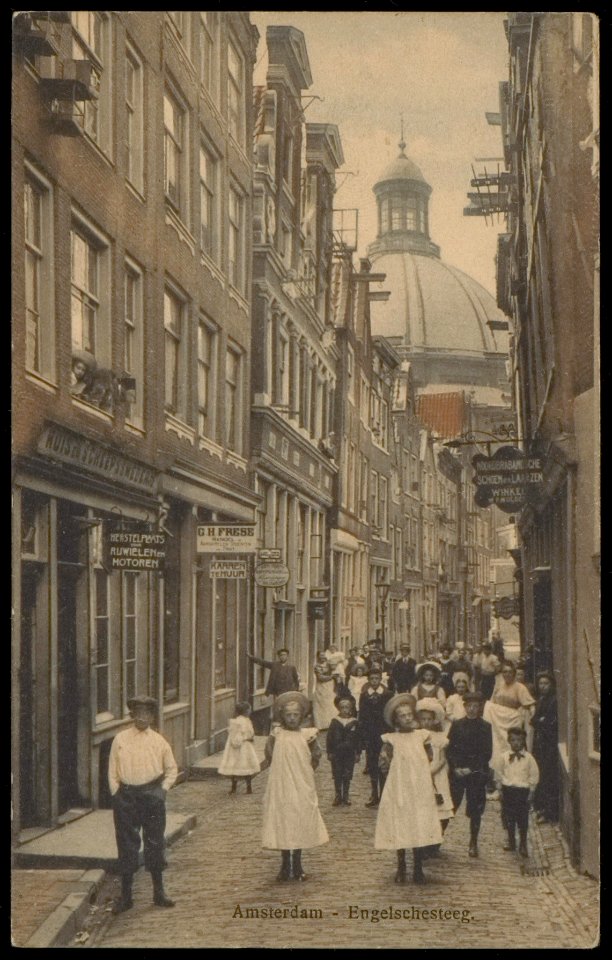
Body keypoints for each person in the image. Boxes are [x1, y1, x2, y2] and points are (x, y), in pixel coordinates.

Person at [108, 696, 178, 913]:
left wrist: (162, 791)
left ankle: (159, 893)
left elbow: (172, 769)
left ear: (151, 716)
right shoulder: (120, 739)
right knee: (127, 845)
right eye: (138, 713)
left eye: (146, 714)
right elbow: (112, 771)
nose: (142, 718)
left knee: (155, 842)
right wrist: (117, 794)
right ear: (132, 715)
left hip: (152, 796)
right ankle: (126, 897)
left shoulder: (159, 741)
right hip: (127, 797)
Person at [375, 693, 443, 884]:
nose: (407, 718)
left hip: (419, 786)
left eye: (409, 714)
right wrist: (390, 768)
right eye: (402, 716)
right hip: (399, 787)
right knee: (401, 822)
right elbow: (384, 762)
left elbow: (429, 757)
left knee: (418, 822)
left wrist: (420, 774)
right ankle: (401, 864)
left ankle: (418, 867)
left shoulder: (422, 736)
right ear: (396, 720)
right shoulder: (391, 739)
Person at [262, 691, 328, 881]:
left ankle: (298, 864)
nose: (292, 718)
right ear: (282, 716)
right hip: (281, 784)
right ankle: (285, 864)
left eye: (296, 715)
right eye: (288, 715)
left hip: (301, 784)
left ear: (302, 716)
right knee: (283, 819)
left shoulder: (308, 736)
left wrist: (305, 773)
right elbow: (269, 755)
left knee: (299, 818)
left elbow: (316, 756)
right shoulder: (276, 735)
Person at [446, 691, 493, 858]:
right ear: (464, 707)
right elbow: (449, 749)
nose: (472, 709)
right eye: (469, 706)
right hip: (458, 773)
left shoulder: (485, 727)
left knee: (475, 810)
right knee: (449, 806)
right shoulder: (457, 725)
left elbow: (486, 753)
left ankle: (473, 842)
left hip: (476, 774)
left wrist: (471, 768)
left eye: (476, 706)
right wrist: (455, 767)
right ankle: (436, 839)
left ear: (480, 708)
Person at [483, 660, 536, 782]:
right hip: (498, 720)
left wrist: (532, 711)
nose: (507, 674)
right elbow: (492, 702)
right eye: (504, 672)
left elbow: (529, 703)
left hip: (512, 721)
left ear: (514, 673)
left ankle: (513, 776)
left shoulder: (520, 687)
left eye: (510, 672)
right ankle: (497, 778)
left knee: (510, 747)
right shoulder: (499, 686)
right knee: (496, 747)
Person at [416, 698, 454, 857]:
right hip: (420, 776)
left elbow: (443, 759)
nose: (426, 722)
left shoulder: (439, 737)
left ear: (434, 720)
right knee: (424, 810)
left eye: (429, 719)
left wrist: (433, 771)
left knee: (441, 809)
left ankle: (436, 840)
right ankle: (424, 842)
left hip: (437, 775)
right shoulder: (416, 736)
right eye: (423, 719)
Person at [496, 727, 540, 857]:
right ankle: (511, 841)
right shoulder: (503, 757)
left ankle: (523, 844)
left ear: (524, 741)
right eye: (513, 740)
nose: (516, 743)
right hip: (508, 790)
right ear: (509, 741)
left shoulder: (529, 758)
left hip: (522, 792)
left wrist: (531, 791)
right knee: (509, 817)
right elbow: (498, 773)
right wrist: (500, 789)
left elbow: (534, 775)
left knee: (522, 818)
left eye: (519, 740)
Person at [357, 667, 392, 808]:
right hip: (370, 734)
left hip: (383, 734)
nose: (374, 681)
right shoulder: (365, 695)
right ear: (368, 680)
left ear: (380, 679)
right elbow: (362, 716)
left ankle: (384, 794)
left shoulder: (388, 694)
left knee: (383, 764)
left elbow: (390, 715)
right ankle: (374, 793)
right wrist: (362, 736)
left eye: (377, 678)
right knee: (372, 765)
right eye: (372, 679)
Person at [531, 671, 559, 824]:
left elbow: (549, 723)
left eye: (546, 684)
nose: (543, 686)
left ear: (551, 685)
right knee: (541, 776)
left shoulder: (554, 701)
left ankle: (550, 812)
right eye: (541, 683)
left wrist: (541, 721)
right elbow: (534, 720)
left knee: (549, 777)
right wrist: (540, 720)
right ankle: (542, 808)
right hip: (541, 743)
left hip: (549, 745)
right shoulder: (541, 700)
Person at [217, 701, 260, 795]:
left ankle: (234, 787)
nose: (250, 711)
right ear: (245, 711)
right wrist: (247, 738)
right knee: (245, 766)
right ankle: (248, 788)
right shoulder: (240, 722)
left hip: (243, 747)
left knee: (235, 767)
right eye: (249, 709)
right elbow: (237, 737)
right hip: (242, 748)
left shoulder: (244, 720)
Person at [326, 694, 361, 806]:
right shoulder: (335, 722)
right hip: (337, 753)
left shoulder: (354, 722)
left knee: (347, 774)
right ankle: (337, 795)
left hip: (349, 753)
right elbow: (329, 738)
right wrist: (329, 752)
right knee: (337, 773)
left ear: (351, 708)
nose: (345, 710)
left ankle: (346, 795)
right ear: (338, 708)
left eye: (347, 707)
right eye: (342, 707)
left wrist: (358, 753)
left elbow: (358, 739)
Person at [312, 651, 338, 731]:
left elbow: (334, 668)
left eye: (324, 655)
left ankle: (330, 723)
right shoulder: (317, 666)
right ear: (318, 657)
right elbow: (320, 678)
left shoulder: (328, 663)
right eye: (321, 656)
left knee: (330, 703)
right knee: (321, 704)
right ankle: (321, 724)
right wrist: (331, 676)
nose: (323, 657)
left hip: (329, 686)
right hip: (321, 686)